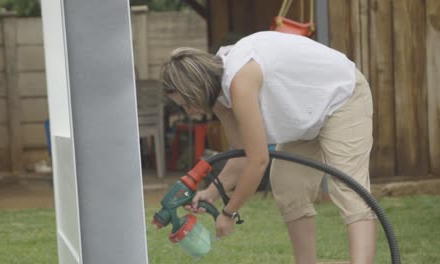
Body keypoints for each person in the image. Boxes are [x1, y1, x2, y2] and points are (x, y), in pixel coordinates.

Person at [161, 31, 377, 264]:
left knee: (348, 187)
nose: (188, 112)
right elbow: (241, 154)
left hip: (341, 96)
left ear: (196, 89)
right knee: (287, 183)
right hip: (305, 112)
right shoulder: (220, 98)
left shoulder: (239, 80)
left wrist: (229, 213)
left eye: (186, 103)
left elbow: (258, 161)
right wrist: (211, 193)